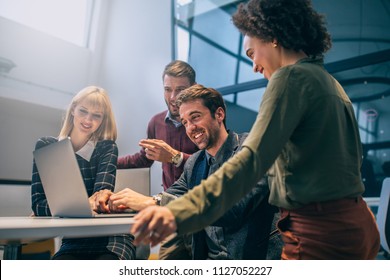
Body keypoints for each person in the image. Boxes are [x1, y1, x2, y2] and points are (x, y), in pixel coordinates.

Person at [130, 0, 380, 260]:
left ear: (271, 36)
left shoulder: (289, 78)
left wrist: (175, 213)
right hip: (358, 224)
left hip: (318, 232)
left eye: (251, 53)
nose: (254, 66)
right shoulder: (330, 83)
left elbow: (251, 161)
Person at [108, 84, 281, 259]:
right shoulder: (194, 163)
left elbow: (233, 210)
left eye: (195, 117)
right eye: (185, 122)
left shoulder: (251, 148)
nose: (190, 128)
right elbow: (172, 194)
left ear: (219, 114)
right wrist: (122, 200)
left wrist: (154, 203)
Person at [31, 86, 135, 260]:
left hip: (110, 237)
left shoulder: (106, 148)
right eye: (83, 111)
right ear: (73, 109)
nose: (88, 119)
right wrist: (82, 205)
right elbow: (38, 204)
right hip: (74, 238)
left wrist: (59, 208)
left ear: (103, 119)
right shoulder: (47, 146)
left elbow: (100, 200)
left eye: (96, 115)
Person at [117, 60, 199, 191]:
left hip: (199, 202)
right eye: (168, 89)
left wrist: (175, 157)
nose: (173, 97)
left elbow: (210, 162)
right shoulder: (156, 122)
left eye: (180, 90)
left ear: (193, 87)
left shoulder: (203, 122)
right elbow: (143, 159)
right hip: (167, 201)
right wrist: (108, 162)